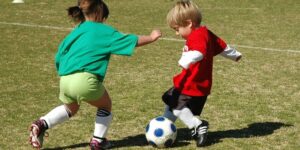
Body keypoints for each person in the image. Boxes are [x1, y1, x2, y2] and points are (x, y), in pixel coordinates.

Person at [28, 0, 161, 149]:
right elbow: (129, 40)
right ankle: (98, 141)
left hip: (65, 79)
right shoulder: (102, 30)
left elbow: (59, 55)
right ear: (99, 14)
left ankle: (41, 123)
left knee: (70, 108)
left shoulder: (76, 31)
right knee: (105, 104)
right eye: (104, 18)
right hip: (85, 80)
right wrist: (151, 37)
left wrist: (64, 72)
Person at [161, 0, 242, 147]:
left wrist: (186, 60)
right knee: (171, 100)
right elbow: (222, 46)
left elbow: (199, 52)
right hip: (199, 84)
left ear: (189, 23)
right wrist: (235, 55)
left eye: (177, 28)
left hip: (191, 83)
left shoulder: (198, 36)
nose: (176, 33)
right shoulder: (206, 32)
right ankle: (164, 126)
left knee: (176, 104)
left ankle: (197, 125)